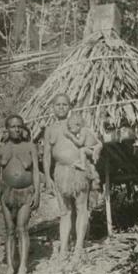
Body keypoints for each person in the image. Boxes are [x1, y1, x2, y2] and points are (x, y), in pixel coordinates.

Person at [43, 93, 101, 261]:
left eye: (64, 104)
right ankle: (63, 249)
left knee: (82, 208)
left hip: (78, 170)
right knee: (65, 212)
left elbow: (91, 142)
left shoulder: (77, 125)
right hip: (60, 173)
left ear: (70, 107)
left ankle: (78, 248)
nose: (61, 107)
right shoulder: (50, 129)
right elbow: (47, 155)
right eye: (58, 105)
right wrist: (47, 177)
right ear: (52, 108)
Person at [0, 115, 41, 274]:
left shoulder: (30, 147)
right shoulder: (0, 150)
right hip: (6, 193)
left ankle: (23, 267)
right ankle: (11, 267)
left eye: (19, 126)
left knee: (22, 227)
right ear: (7, 129)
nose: (16, 129)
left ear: (23, 128)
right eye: (13, 126)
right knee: (10, 230)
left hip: (26, 192)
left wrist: (38, 193)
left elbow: (35, 172)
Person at [63, 112, 102, 191]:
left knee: (82, 150)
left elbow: (80, 143)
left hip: (91, 150)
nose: (71, 131)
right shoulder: (84, 130)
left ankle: (82, 165)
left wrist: (71, 137)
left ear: (78, 125)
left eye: (71, 128)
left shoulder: (83, 130)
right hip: (91, 149)